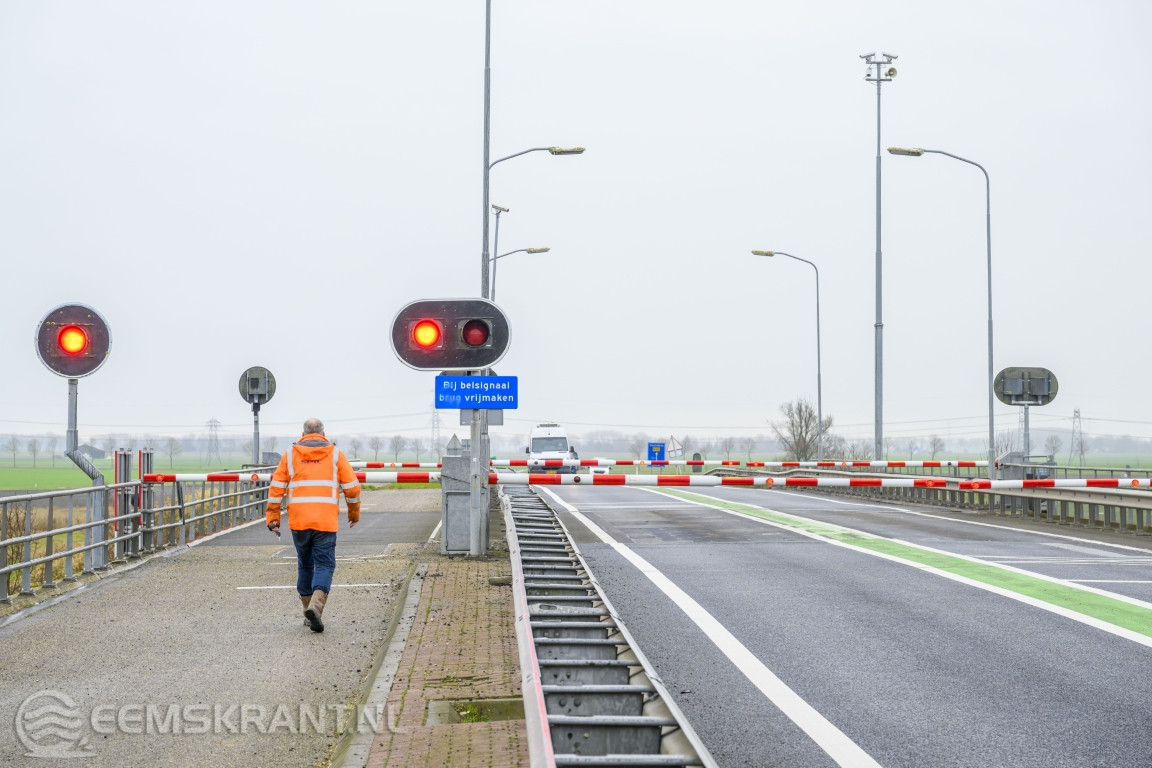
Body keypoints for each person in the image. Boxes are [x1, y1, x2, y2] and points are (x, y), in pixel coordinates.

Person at [265, 418, 361, 632]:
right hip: (325, 521)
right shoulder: (335, 454)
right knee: (325, 565)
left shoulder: (289, 455)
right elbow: (353, 489)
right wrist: (354, 514)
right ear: (323, 432)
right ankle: (316, 607)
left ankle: (308, 613)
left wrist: (273, 519)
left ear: (303, 433)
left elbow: (276, 488)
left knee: (305, 564)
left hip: (299, 521)